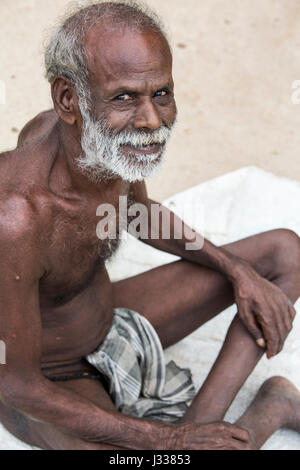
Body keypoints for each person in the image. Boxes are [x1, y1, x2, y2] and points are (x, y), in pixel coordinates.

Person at [0, 0, 300, 450]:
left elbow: (136, 213)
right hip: (52, 375)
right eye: (124, 97)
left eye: (161, 93)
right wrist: (168, 439)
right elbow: (18, 385)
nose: (152, 120)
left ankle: (206, 426)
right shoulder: (16, 217)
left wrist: (237, 270)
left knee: (283, 254)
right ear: (69, 100)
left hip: (109, 318)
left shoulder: (104, 144)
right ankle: (271, 408)